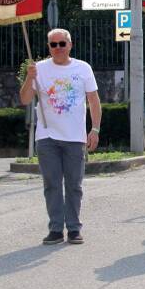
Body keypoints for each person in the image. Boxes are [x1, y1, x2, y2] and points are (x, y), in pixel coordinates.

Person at [21, 28, 101, 245]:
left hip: (75, 137)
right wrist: (29, 79)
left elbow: (93, 99)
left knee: (74, 185)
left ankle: (74, 228)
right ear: (49, 47)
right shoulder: (38, 69)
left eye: (61, 44)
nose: (57, 48)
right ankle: (56, 228)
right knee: (52, 184)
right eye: (53, 45)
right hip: (47, 136)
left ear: (70, 45)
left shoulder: (83, 68)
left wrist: (95, 129)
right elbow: (25, 99)